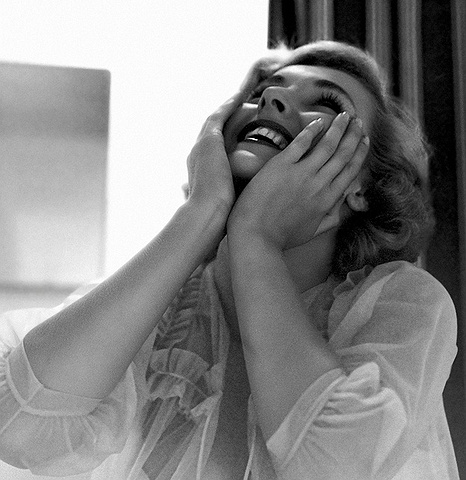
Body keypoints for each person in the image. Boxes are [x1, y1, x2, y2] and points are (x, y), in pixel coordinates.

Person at [0, 40, 459, 480]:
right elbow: (19, 423)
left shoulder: (401, 303)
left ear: (362, 188)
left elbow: (335, 465)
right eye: (261, 92)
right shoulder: (159, 307)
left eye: (327, 103)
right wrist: (202, 211)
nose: (272, 99)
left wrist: (257, 238)